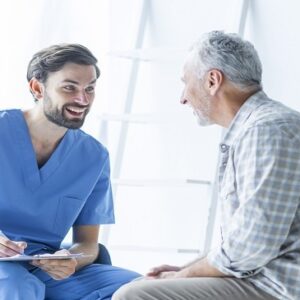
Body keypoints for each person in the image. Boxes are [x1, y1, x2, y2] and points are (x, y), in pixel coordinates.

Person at [112, 31, 300, 300]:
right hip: (261, 278)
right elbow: (242, 239)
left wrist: (182, 276)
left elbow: (250, 248)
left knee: (134, 296)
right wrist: (188, 268)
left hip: (277, 287)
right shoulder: (261, 128)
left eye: (186, 83)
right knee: (143, 285)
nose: (183, 98)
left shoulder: (267, 132)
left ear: (213, 81)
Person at [0, 43, 140, 299]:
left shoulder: (93, 156)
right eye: (69, 87)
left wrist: (70, 259)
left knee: (139, 289)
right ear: (37, 88)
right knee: (16, 287)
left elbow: (87, 243)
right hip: (4, 271)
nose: (82, 99)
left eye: (90, 88)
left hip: (44, 266)